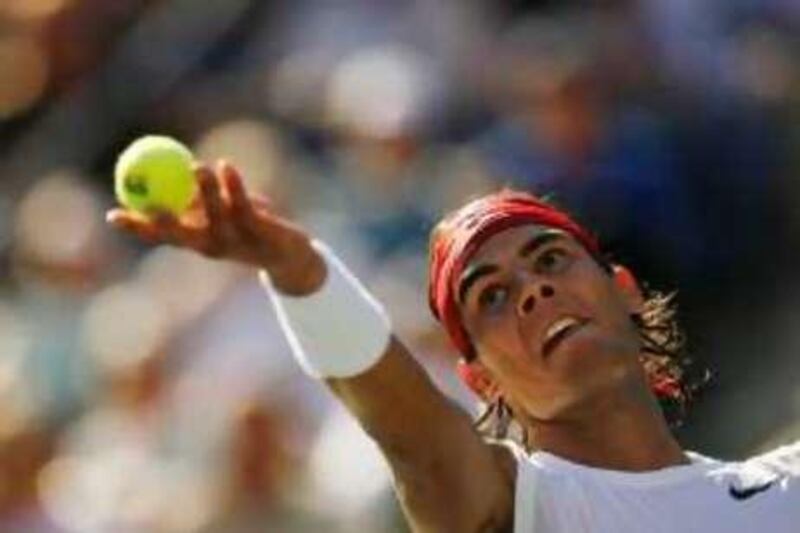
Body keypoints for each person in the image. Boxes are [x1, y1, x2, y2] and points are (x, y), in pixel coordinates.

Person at [107, 161, 800, 532]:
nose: (531, 290)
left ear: (621, 287)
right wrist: (301, 273)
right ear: (480, 380)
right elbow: (418, 444)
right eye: (492, 296)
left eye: (550, 259)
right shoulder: (521, 510)